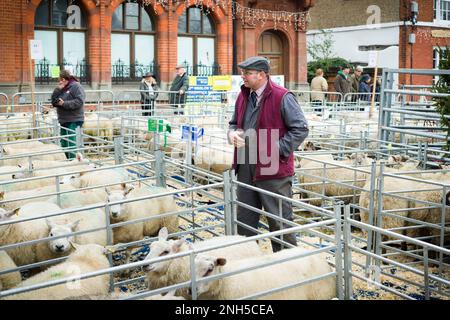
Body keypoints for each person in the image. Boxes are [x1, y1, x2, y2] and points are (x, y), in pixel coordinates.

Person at [228, 56, 309, 253]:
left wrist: (275, 150)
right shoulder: (244, 95)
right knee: (245, 218)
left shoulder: (283, 96)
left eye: (247, 73)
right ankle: (248, 263)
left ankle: (287, 267)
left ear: (262, 75)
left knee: (279, 220)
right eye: (243, 72)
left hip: (273, 168)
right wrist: (232, 133)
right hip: (246, 163)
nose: (243, 77)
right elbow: (233, 122)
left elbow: (300, 129)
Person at [51, 69, 85, 159]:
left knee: (70, 142)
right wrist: (58, 89)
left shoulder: (76, 86)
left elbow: (79, 101)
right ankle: (68, 161)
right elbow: (53, 101)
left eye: (60, 79)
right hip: (63, 119)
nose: (60, 82)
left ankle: (72, 162)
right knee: (64, 142)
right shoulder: (62, 88)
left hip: (73, 118)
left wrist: (64, 103)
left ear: (64, 78)